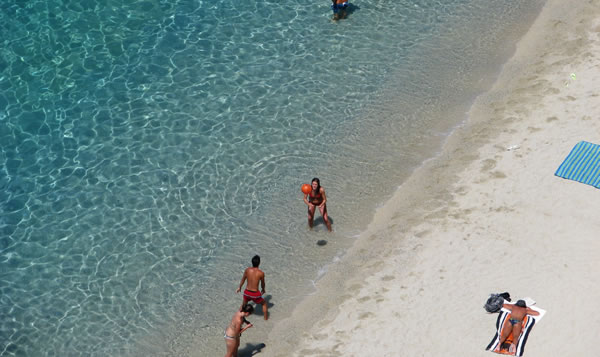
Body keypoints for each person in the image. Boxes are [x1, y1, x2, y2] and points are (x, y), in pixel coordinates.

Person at [236, 255, 268, 320]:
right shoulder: (261, 273)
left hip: (246, 292)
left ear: (252, 262)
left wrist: (239, 287)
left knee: (243, 306)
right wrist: (263, 289)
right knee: (264, 304)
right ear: (259, 263)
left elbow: (243, 279)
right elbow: (263, 283)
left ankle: (238, 318)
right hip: (255, 294)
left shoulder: (247, 270)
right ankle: (266, 319)